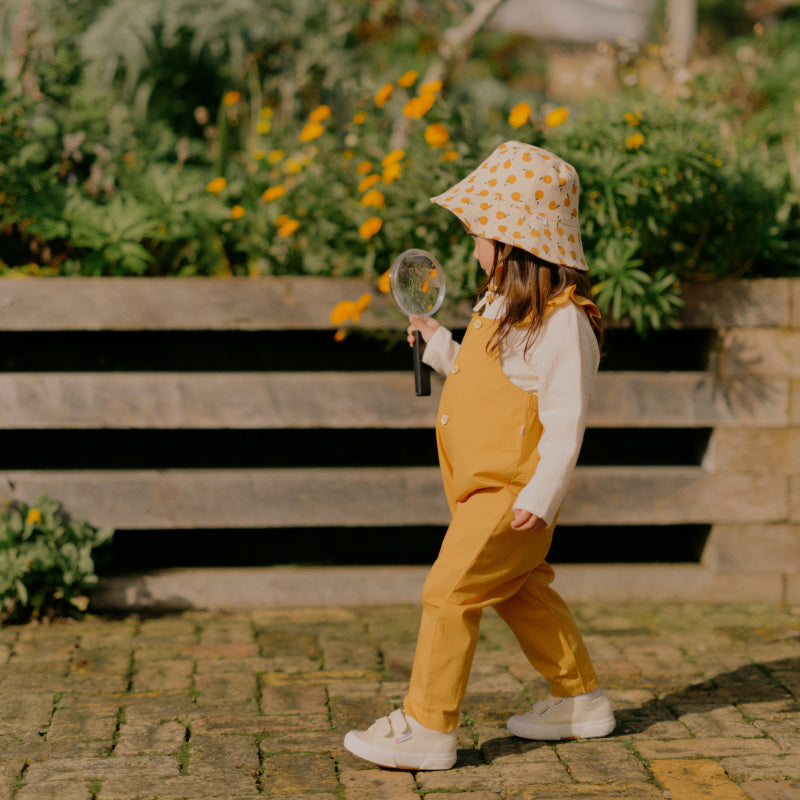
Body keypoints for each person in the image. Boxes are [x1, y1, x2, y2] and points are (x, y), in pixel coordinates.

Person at [343, 140, 615, 771]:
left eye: (478, 236)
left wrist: (541, 497)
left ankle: (428, 725)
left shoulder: (562, 322)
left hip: (510, 494)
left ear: (514, 240)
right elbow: (480, 373)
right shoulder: (502, 306)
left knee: (448, 592)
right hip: (482, 488)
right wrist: (439, 343)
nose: (471, 249)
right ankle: (580, 699)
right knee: (521, 588)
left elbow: (565, 421)